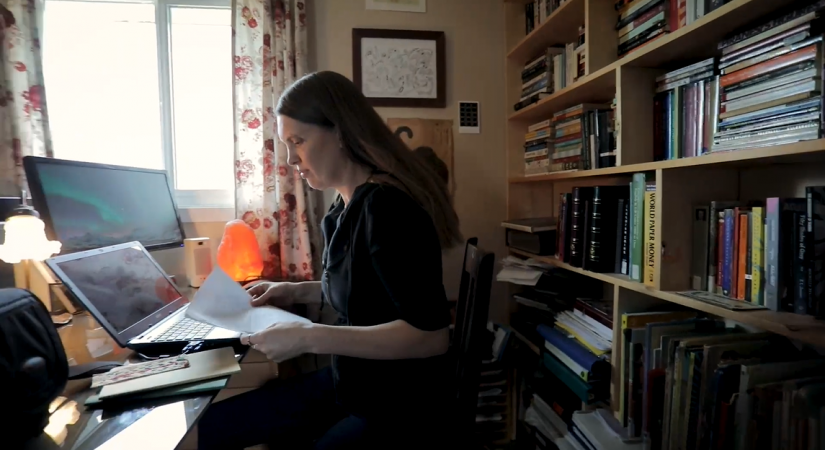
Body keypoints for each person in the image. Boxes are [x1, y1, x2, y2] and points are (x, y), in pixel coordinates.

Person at [197, 70, 463, 450]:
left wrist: (309, 338)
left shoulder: (386, 209)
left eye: (298, 141)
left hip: (397, 405)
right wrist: (292, 291)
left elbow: (431, 336)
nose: (291, 159)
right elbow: (367, 291)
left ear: (339, 132)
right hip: (354, 382)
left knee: (221, 431)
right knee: (214, 426)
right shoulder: (344, 207)